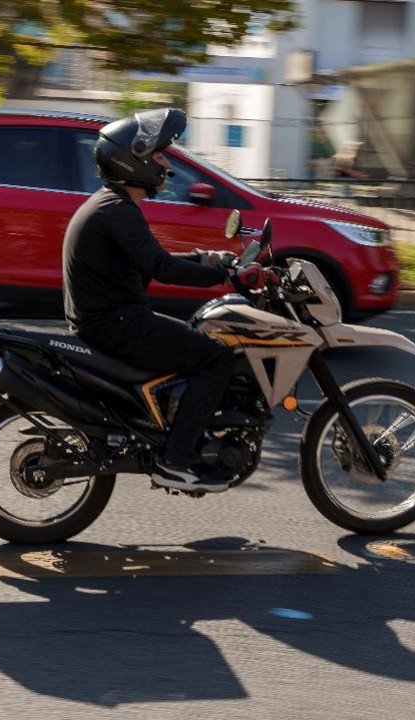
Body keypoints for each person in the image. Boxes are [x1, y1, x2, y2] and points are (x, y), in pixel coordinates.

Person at [62, 108, 237, 493]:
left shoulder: (114, 205)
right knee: (216, 357)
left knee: (194, 337)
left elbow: (153, 258)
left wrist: (212, 260)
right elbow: (161, 268)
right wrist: (222, 275)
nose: (164, 165)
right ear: (133, 159)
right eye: (158, 156)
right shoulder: (117, 210)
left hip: (110, 319)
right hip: (116, 324)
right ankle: (176, 460)